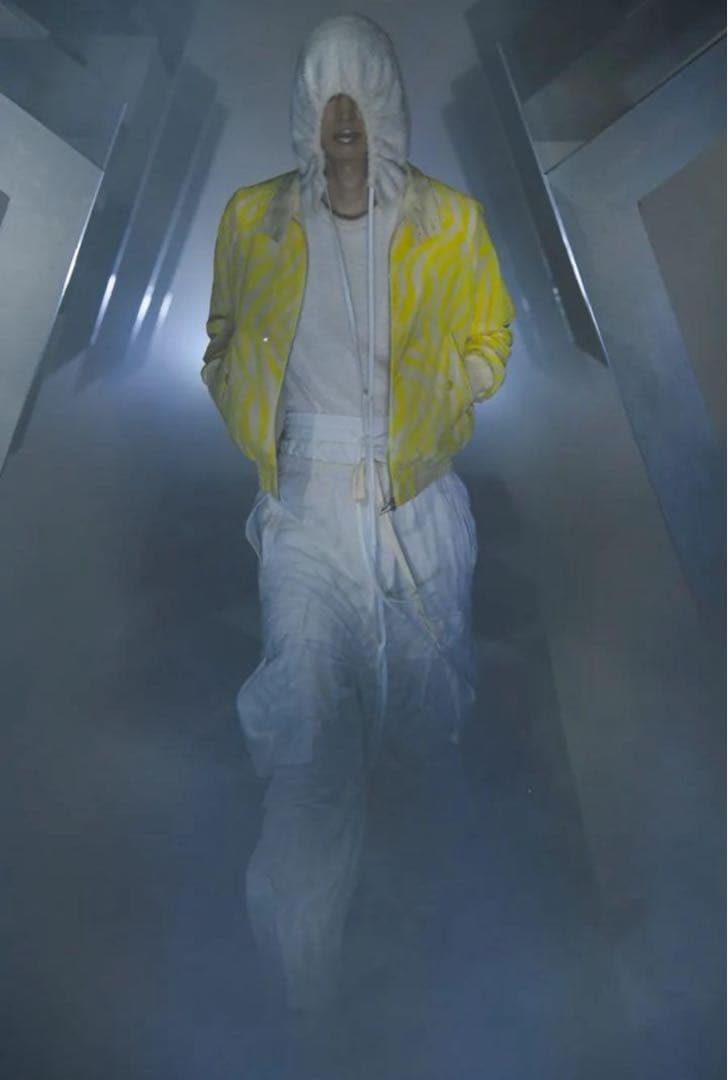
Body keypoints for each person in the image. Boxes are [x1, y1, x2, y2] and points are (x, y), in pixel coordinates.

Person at [202, 11, 514, 1034]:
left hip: (417, 509)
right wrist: (254, 415)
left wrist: (444, 402)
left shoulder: (447, 222)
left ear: (387, 100)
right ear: (305, 107)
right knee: (309, 737)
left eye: (359, 89)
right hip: (304, 504)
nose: (342, 113)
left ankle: (426, 982)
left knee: (424, 732)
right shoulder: (255, 220)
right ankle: (306, 1001)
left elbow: (490, 337)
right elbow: (222, 336)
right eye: (323, 92)